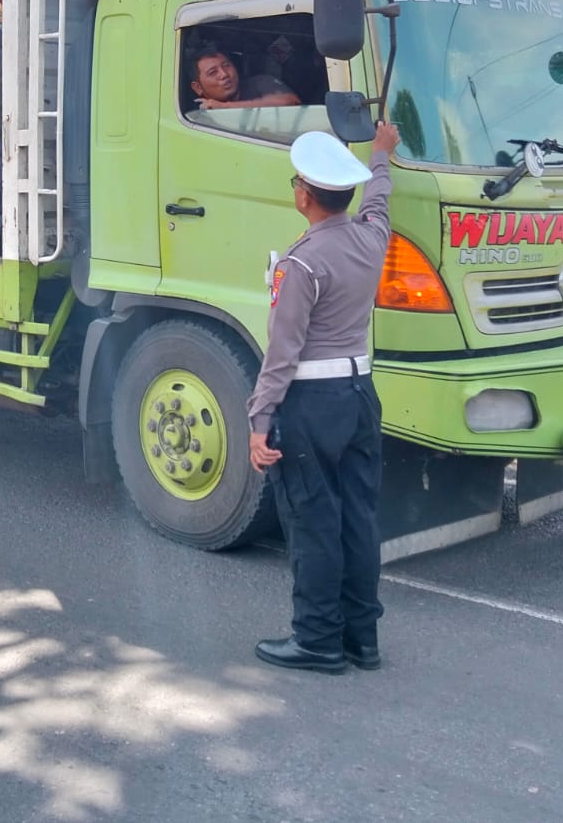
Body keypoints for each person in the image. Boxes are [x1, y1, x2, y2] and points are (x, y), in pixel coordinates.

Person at [246, 122, 401, 674]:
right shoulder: (371, 238)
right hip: (360, 396)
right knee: (358, 517)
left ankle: (317, 640)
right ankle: (363, 639)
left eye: (297, 183)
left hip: (311, 404)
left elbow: (282, 352)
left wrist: (259, 419)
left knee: (314, 521)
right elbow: (379, 200)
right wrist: (380, 155)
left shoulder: (302, 263)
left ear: (305, 197)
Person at [187, 41, 302, 111]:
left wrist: (225, 107)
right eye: (213, 72)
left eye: (226, 66)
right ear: (198, 88)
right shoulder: (192, 118)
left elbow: (290, 102)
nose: (224, 74)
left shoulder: (260, 82)